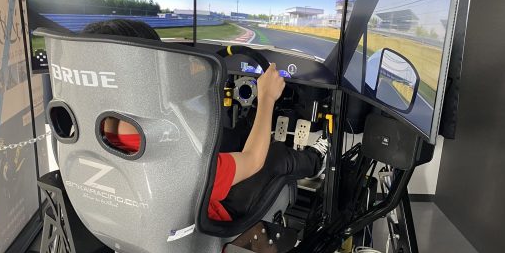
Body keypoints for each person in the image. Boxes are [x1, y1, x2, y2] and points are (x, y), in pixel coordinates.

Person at [82, 19, 328, 221]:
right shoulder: (174, 157)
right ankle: (317, 160)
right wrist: (267, 98)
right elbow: (253, 161)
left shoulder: (84, 134)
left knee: (226, 137)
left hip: (141, 221)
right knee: (275, 155)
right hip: (208, 226)